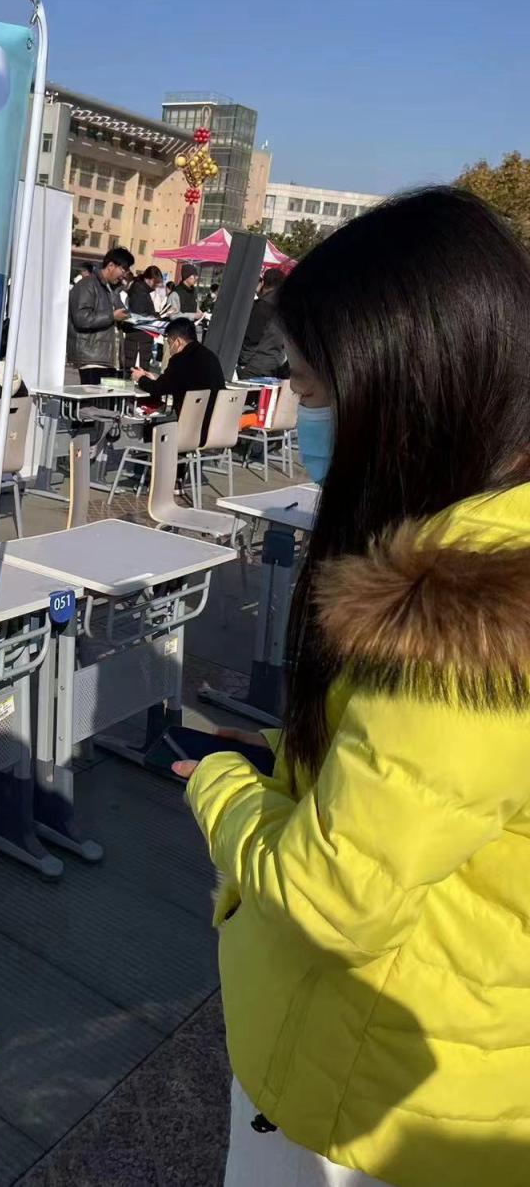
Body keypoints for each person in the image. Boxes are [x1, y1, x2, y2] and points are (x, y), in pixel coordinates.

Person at [175, 187, 530, 1187]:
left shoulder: (460, 618)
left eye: (308, 382)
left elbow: (332, 899)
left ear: (402, 387)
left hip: (369, 1091)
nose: (297, 411)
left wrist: (221, 786)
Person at [130, 315, 224, 436]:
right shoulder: (210, 356)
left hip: (191, 429)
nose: (170, 350)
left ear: (178, 342)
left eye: (169, 344)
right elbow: (181, 381)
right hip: (216, 426)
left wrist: (140, 378)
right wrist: (157, 378)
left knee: (144, 429)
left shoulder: (180, 359)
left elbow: (157, 389)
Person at [68, 246, 131, 384]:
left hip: (109, 359)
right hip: (92, 359)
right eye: (123, 270)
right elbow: (81, 318)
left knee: (107, 398)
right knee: (91, 397)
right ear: (111, 265)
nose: (124, 275)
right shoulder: (87, 285)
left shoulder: (113, 290)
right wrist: (112, 316)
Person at [237, 267, 288, 377]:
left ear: (263, 283)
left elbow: (251, 338)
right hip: (277, 362)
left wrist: (243, 363)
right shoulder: (286, 306)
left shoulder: (262, 306)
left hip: (255, 365)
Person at [121, 265, 163, 371]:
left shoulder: (142, 290)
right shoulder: (139, 291)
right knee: (136, 371)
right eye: (156, 283)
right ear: (150, 280)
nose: (156, 287)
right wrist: (155, 317)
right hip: (138, 339)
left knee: (140, 370)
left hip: (141, 338)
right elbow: (138, 316)